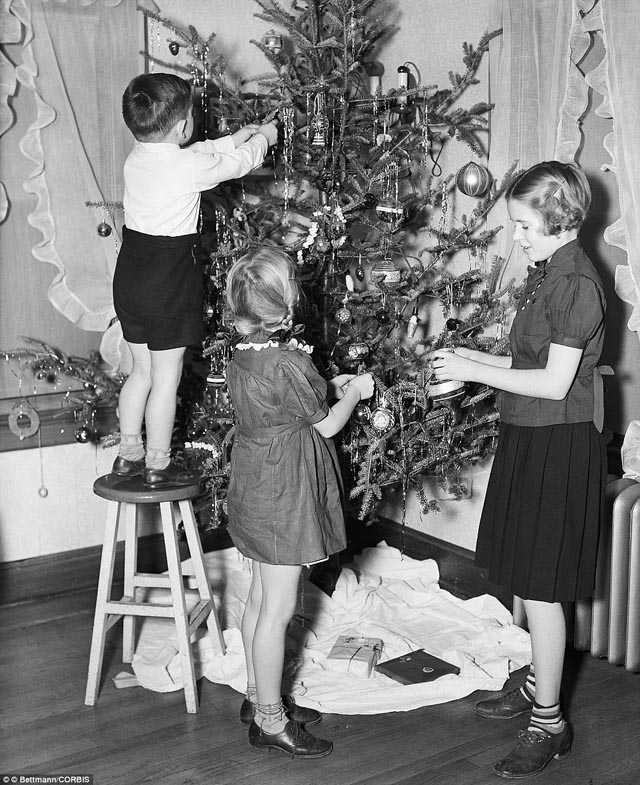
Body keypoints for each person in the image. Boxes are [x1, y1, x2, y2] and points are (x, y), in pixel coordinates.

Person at [433, 160, 606, 779]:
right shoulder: (546, 272)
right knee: (527, 576)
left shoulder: (576, 283)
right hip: (530, 433)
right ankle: (538, 684)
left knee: (542, 588)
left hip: (560, 442)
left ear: (561, 220)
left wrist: (474, 372)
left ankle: (550, 723)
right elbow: (528, 360)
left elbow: (556, 383)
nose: (517, 236)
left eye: (525, 226)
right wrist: (470, 359)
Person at [224, 247, 374, 758]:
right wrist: (355, 393)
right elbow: (326, 425)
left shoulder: (243, 355)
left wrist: (328, 385)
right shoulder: (290, 360)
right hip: (283, 491)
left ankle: (257, 697)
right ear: (286, 304)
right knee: (278, 610)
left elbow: (284, 401)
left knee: (259, 599)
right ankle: (270, 721)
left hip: (254, 482)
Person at [111, 72, 278, 488]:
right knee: (166, 379)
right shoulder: (187, 167)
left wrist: (234, 137)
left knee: (141, 373)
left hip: (130, 274)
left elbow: (199, 153)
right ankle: (158, 463)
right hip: (167, 280)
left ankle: (128, 455)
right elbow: (236, 165)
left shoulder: (137, 158)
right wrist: (263, 139)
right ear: (183, 125)